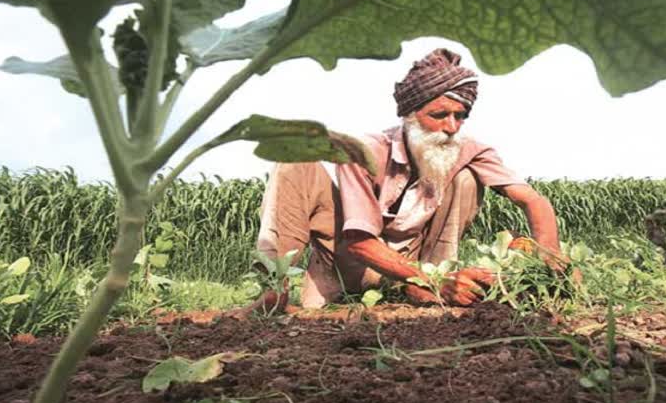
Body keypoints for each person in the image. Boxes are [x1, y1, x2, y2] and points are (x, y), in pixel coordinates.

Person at [244, 48, 570, 313]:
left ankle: (434, 286)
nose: (452, 127)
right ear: (410, 116)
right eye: (439, 115)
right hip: (351, 260)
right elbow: (358, 241)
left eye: (460, 116)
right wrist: (429, 280)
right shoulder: (365, 151)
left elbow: (532, 199)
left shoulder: (467, 149)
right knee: (295, 161)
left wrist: (549, 252)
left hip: (418, 265)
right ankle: (273, 291)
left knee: (467, 178)